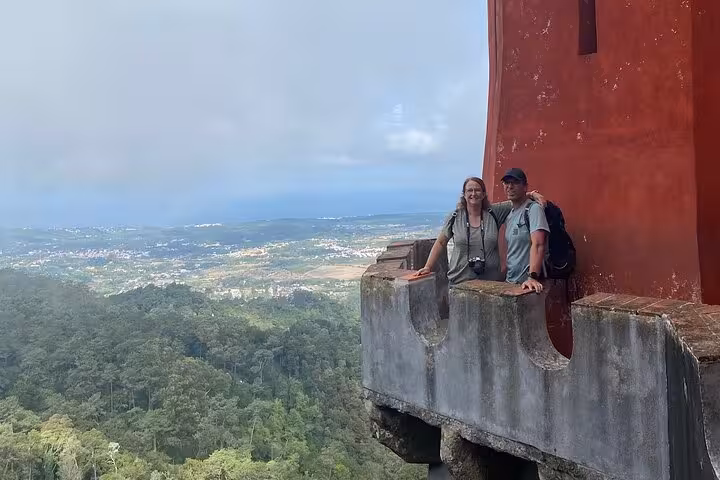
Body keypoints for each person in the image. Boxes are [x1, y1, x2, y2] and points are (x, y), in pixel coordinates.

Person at [414, 176, 544, 286]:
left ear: (483, 194)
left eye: (477, 190)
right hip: (459, 282)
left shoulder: (494, 212)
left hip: (491, 284)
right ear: (464, 194)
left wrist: (531, 194)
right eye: (469, 190)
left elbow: (516, 199)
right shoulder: (455, 217)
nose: (473, 194)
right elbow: (441, 242)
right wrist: (428, 267)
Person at [501, 168, 548, 293]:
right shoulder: (510, 214)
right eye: (506, 183)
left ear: (525, 187)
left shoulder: (533, 209)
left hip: (528, 285)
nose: (510, 186)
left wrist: (532, 277)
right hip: (511, 282)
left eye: (515, 182)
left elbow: (538, 244)